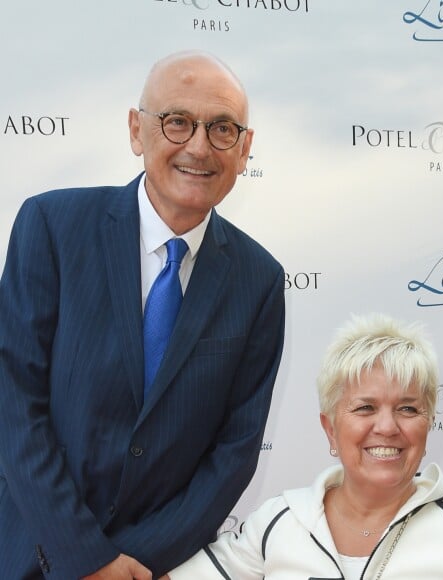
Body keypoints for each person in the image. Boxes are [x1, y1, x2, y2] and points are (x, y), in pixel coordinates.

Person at [0, 50, 285, 579]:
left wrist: (129, 563)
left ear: (244, 149)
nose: (198, 147)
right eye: (177, 122)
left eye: (222, 128)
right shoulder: (51, 227)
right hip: (26, 554)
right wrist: (88, 558)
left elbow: (233, 454)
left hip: (152, 569)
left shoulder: (260, 281)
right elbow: (14, 407)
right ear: (137, 130)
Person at [167, 313, 443, 579]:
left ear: (429, 422)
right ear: (330, 428)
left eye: (408, 408)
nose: (387, 427)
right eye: (365, 408)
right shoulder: (278, 522)